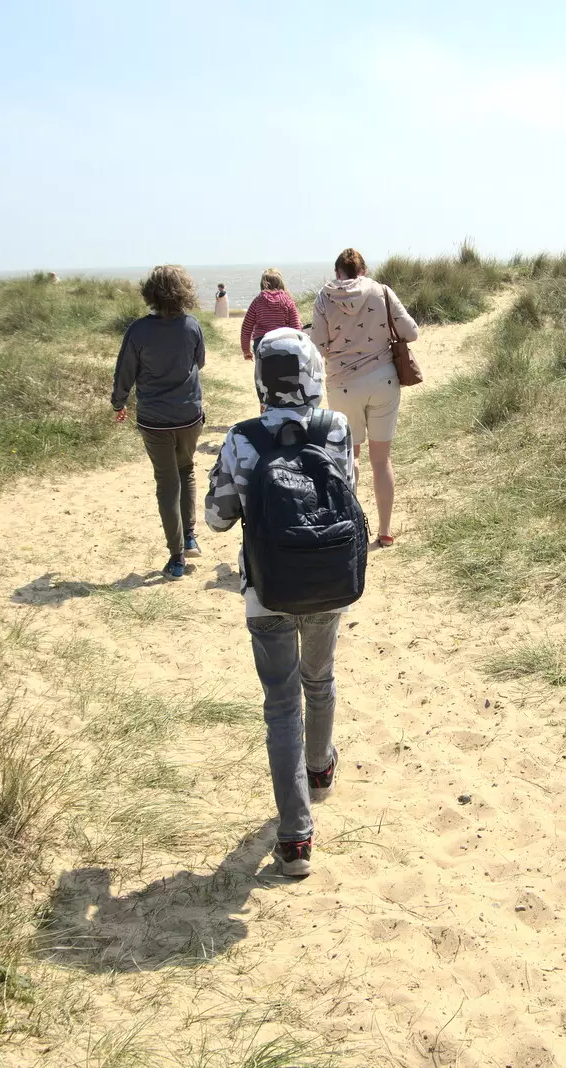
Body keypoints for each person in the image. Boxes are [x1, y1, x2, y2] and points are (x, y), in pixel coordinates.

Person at [206, 328, 363, 878]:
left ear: (261, 381)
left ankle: (295, 839)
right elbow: (349, 491)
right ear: (314, 374)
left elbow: (217, 519)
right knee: (320, 678)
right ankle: (319, 769)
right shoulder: (336, 427)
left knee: (280, 706)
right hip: (327, 582)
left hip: (267, 591)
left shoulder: (240, 438)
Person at [311, 248, 418, 548]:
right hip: (383, 380)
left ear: (337, 273)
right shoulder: (381, 291)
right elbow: (411, 332)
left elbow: (317, 345)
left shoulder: (324, 296)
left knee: (350, 458)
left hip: (343, 385)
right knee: (381, 461)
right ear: (363, 270)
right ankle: (385, 532)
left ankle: (352, 527)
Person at [111, 265, 207, 578]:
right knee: (186, 470)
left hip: (155, 419)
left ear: (151, 293)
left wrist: (119, 402)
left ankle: (177, 557)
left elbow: (125, 369)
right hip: (189, 415)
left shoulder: (138, 330)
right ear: (184, 292)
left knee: (167, 482)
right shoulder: (191, 326)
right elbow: (199, 362)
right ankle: (190, 535)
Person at [240, 269, 302, 361]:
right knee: (285, 373)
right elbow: (296, 327)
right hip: (285, 344)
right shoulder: (287, 301)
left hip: (262, 344)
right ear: (281, 284)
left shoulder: (257, 301)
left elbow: (246, 328)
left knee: (263, 373)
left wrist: (246, 351)